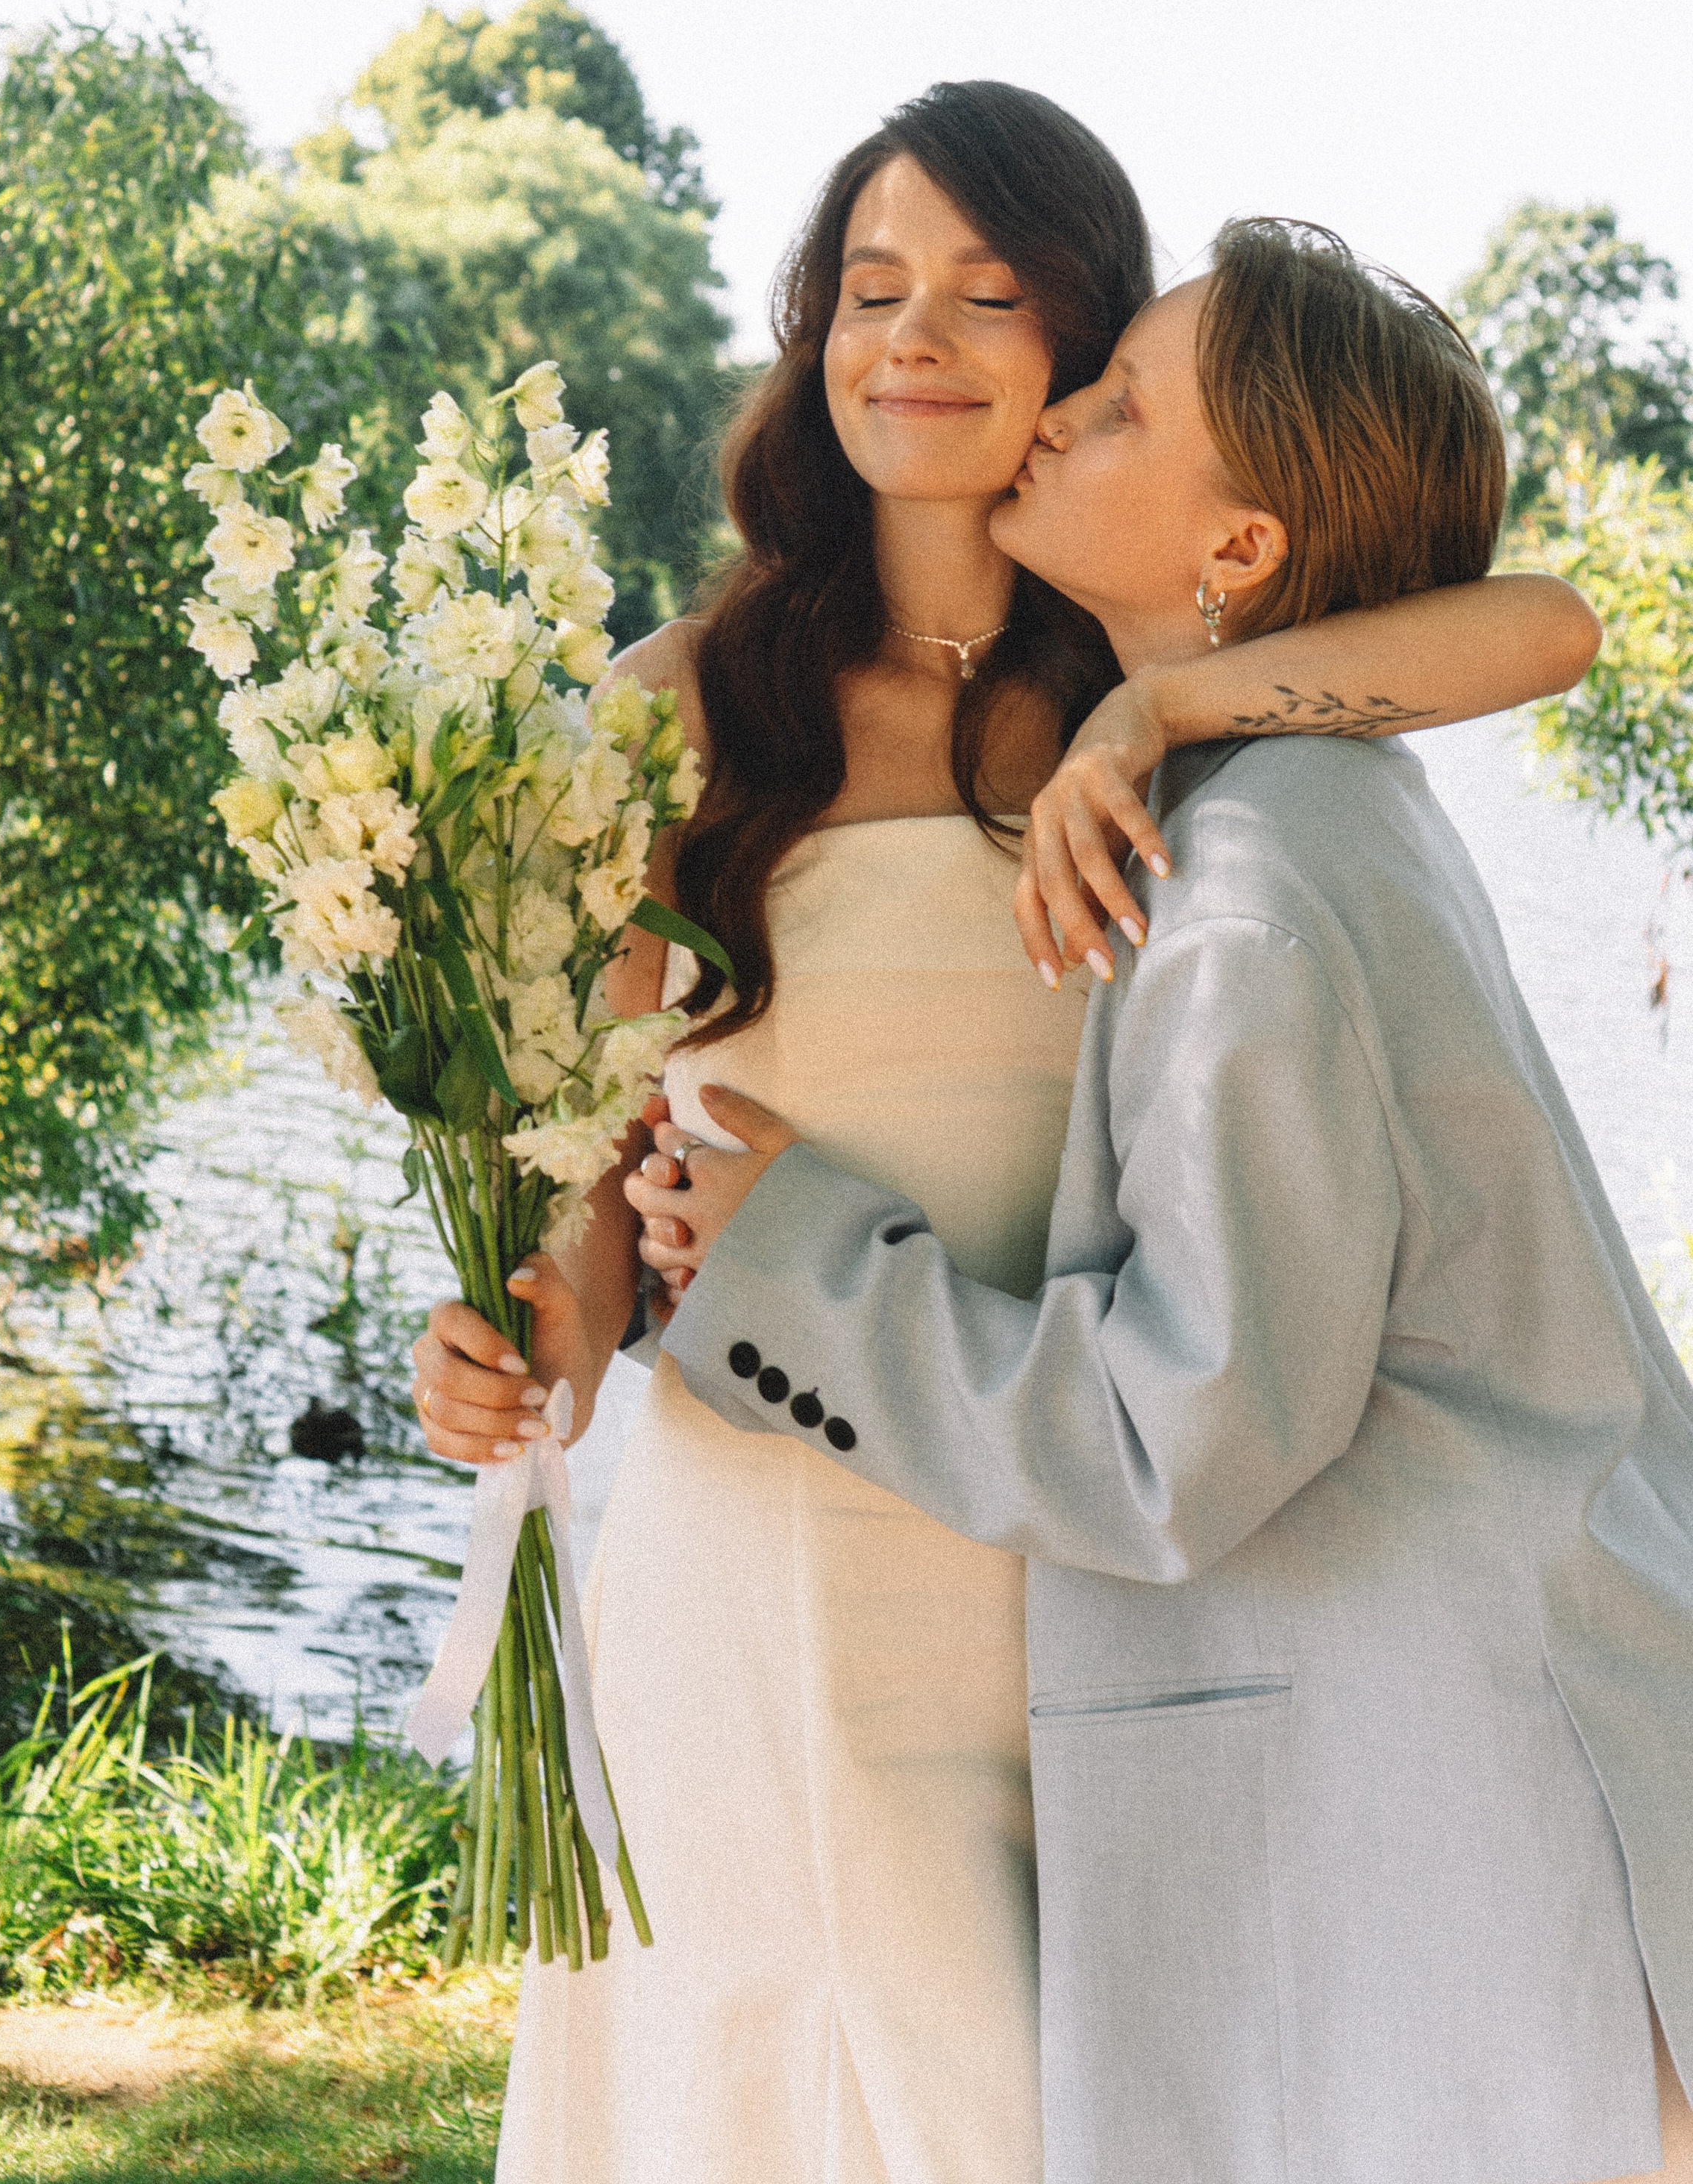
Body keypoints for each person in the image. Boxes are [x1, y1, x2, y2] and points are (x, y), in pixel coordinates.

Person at [411, 107, 1600, 2184]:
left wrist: (1151, 719)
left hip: (1084, 1542)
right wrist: (541, 1337)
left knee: (1055, 2105)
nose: (916, 342)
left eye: (990, 296)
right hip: (770, 1534)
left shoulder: (1172, 683)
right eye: (870, 292)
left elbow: (1549, 624)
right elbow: (593, 1160)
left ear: (1082, 349)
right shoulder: (685, 702)